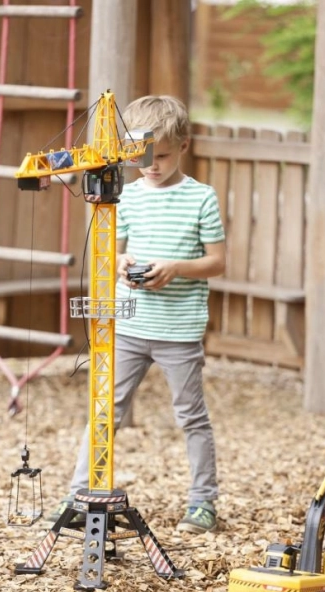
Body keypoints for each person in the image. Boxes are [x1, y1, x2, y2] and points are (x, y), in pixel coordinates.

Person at [47, 95, 226, 534]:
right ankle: (78, 493)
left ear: (183, 146)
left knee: (191, 416)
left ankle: (202, 501)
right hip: (128, 326)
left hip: (178, 331)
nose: (151, 166)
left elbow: (217, 262)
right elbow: (114, 253)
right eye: (141, 157)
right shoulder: (124, 196)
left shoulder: (201, 198)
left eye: (161, 156)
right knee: (104, 411)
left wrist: (175, 268)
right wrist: (121, 264)